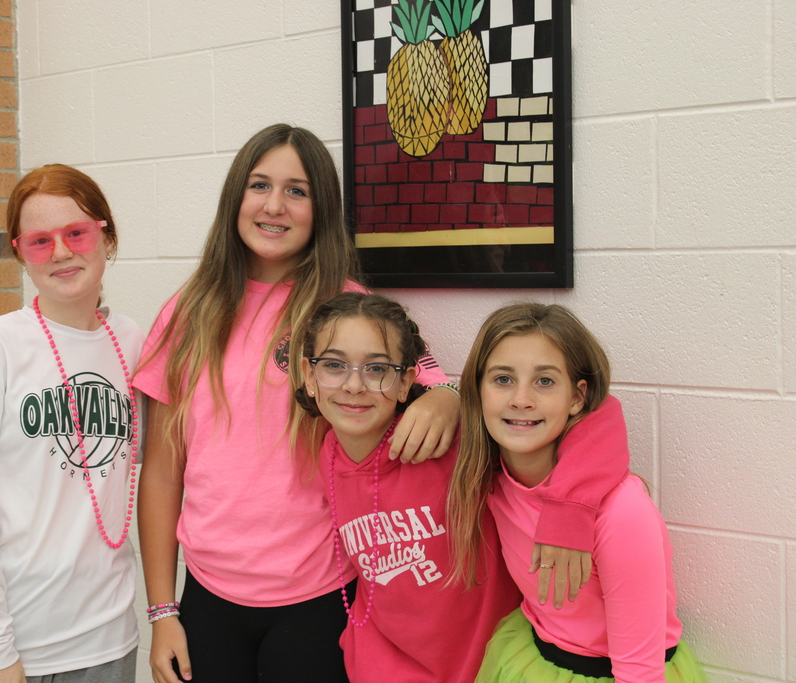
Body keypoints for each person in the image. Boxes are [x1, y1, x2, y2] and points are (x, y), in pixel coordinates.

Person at [133, 124, 627, 683]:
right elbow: (162, 472)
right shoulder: (187, 313)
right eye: (259, 185)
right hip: (209, 596)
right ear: (234, 199)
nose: (275, 205)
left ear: (322, 209)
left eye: (297, 191)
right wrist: (162, 610)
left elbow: (452, 387)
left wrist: (442, 398)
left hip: (320, 595)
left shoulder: (352, 310)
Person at [294, 293, 638, 683]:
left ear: (407, 380)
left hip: (485, 668)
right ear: (309, 374)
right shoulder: (328, 453)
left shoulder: (451, 442)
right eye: (334, 366)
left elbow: (601, 414)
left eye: (377, 369)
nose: (354, 386)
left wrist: (568, 510)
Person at [0, 164, 141, 683]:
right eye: (40, 241)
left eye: (76, 233)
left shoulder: (134, 343)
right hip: (6, 651)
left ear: (106, 236)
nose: (62, 252)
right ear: (19, 252)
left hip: (108, 642)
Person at [450, 303, 706, 683]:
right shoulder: (492, 478)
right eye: (503, 379)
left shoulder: (622, 512)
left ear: (577, 397)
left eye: (545, 381)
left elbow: (639, 671)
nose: (521, 399)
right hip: (532, 654)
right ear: (478, 390)